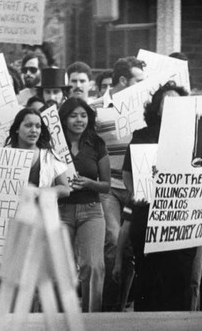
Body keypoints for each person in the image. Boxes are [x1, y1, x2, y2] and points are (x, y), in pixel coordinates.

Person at [0, 108, 70, 303]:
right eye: (28, 125)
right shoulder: (3, 155)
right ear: (17, 129)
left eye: (38, 126)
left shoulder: (49, 157)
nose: (34, 130)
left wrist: (43, 192)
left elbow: (65, 188)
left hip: (35, 219)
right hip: (4, 218)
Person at [114, 81, 195, 311]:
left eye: (177, 100)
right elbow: (128, 172)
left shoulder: (193, 136)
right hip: (147, 214)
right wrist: (135, 192)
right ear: (157, 107)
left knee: (178, 278)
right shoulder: (142, 135)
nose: (171, 104)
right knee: (148, 277)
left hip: (181, 219)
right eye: (166, 100)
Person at [89, 56, 145, 311]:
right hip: (109, 187)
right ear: (123, 80)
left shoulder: (147, 109)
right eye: (139, 80)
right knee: (112, 240)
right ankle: (108, 308)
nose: (144, 86)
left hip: (136, 187)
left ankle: (121, 306)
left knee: (131, 247)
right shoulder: (97, 108)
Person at [59, 97, 111, 312]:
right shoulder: (55, 144)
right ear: (64, 119)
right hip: (61, 210)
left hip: (91, 210)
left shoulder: (96, 144)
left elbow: (106, 185)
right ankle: (62, 317)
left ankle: (92, 317)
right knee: (62, 267)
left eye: (83, 115)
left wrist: (90, 183)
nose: (79, 120)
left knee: (93, 265)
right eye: (73, 116)